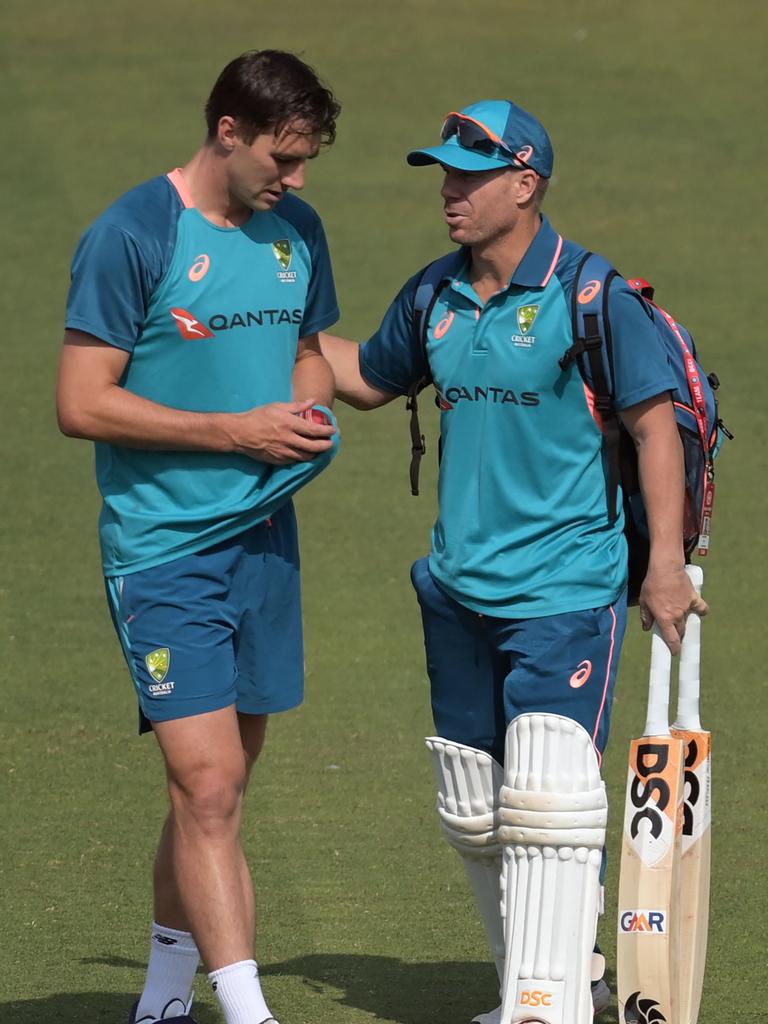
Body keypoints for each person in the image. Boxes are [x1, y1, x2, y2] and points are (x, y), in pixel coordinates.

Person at [320, 100, 709, 1023]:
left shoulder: (592, 295)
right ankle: (561, 972)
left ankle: (547, 1005)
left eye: (469, 174)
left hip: (568, 589)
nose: (449, 191)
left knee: (547, 796)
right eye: (444, 173)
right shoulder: (434, 295)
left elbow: (655, 430)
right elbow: (369, 380)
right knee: (474, 804)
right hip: (457, 589)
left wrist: (662, 566)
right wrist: (256, 338)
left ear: (524, 184)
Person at [57, 50, 342, 1024]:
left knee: (211, 794)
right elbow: (81, 401)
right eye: (284, 158)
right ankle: (248, 1010)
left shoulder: (294, 229)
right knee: (209, 784)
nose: (296, 181)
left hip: (265, 540)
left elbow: (308, 357)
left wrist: (307, 423)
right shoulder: (133, 235)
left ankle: (164, 997)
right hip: (164, 548)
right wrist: (232, 432)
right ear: (229, 132)